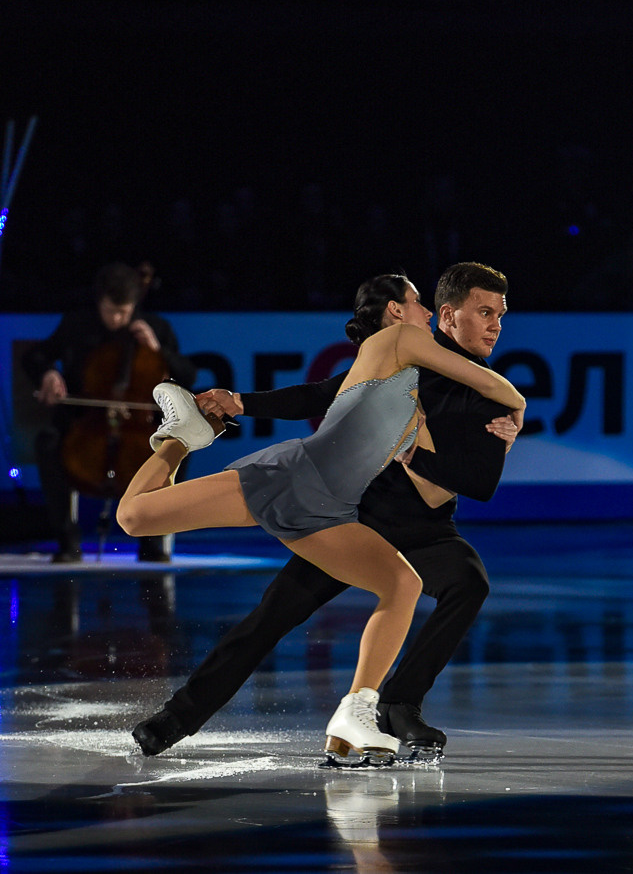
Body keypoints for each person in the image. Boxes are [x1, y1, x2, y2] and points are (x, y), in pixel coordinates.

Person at [121, 268, 525, 763]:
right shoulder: (403, 352)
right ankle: (175, 720)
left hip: (409, 525)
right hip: (359, 511)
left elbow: (478, 481)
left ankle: (390, 708)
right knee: (269, 617)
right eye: (485, 312)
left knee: (463, 583)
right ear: (443, 314)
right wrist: (243, 402)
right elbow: (320, 395)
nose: (496, 325)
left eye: (500, 315)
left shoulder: (482, 389)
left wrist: (429, 449)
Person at [22, 262, 197, 563]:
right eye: (110, 310)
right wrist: (48, 373)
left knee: (178, 446)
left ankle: (154, 540)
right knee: (48, 442)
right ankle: (68, 541)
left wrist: (159, 353)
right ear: (99, 302)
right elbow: (35, 356)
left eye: (124, 312)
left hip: (141, 428)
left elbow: (188, 376)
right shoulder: (77, 324)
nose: (117, 319)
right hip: (84, 426)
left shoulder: (155, 328)